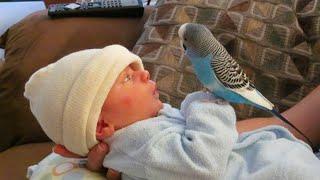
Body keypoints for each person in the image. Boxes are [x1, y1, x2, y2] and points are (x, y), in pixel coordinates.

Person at [24, 44, 320, 180]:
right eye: (127, 78)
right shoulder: (138, 145)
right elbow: (203, 163)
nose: (144, 74)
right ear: (101, 125)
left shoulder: (142, 130)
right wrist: (207, 104)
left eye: (137, 69)